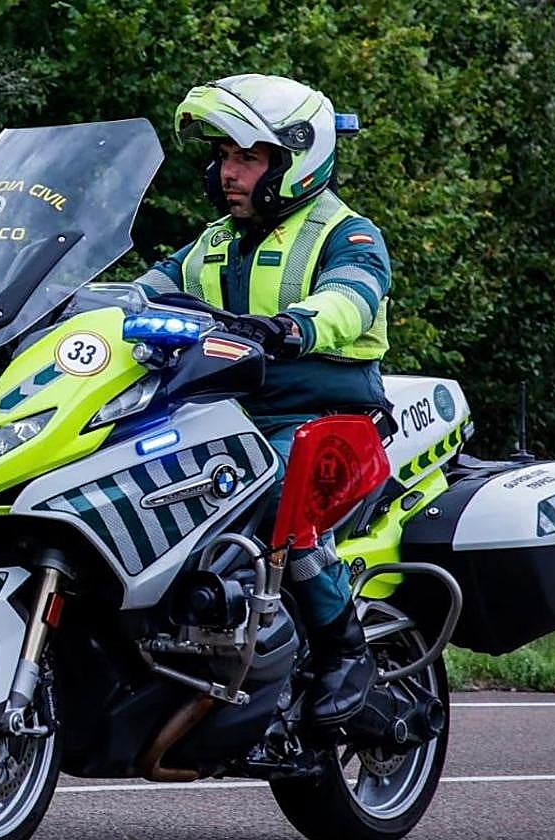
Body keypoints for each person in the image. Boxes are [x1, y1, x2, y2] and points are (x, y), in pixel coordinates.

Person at [137, 74, 391, 726]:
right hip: (219, 419)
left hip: (323, 421)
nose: (228, 172)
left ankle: (345, 651)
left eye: (246, 158)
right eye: (223, 156)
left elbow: (351, 296)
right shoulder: (209, 244)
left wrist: (292, 326)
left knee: (271, 490)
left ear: (294, 160)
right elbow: (133, 297)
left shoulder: (346, 233)